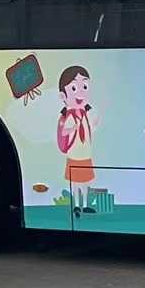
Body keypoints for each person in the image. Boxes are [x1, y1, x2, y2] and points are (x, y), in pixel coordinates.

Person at [56, 65, 99, 212]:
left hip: (85, 154)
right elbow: (64, 132)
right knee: (74, 183)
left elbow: (91, 128)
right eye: (74, 88)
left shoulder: (86, 115)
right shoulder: (69, 116)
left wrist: (93, 122)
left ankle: (85, 205)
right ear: (63, 96)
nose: (80, 92)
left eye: (85, 87)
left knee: (86, 183)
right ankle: (75, 205)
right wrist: (72, 128)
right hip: (74, 155)